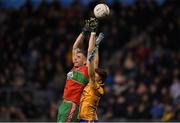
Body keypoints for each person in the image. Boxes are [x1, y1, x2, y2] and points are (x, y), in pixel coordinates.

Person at [57, 18, 99, 122]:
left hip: (72, 106)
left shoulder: (87, 69)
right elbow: (74, 47)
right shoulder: (75, 67)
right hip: (63, 105)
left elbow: (90, 52)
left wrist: (93, 32)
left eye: (79, 57)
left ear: (85, 61)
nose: (75, 58)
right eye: (75, 56)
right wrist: (83, 31)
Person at [78, 31, 107, 122]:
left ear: (101, 80)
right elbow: (95, 64)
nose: (94, 74)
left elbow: (91, 73)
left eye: (96, 75)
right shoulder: (93, 83)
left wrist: (89, 61)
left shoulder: (98, 87)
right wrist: (97, 45)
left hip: (89, 120)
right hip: (83, 119)